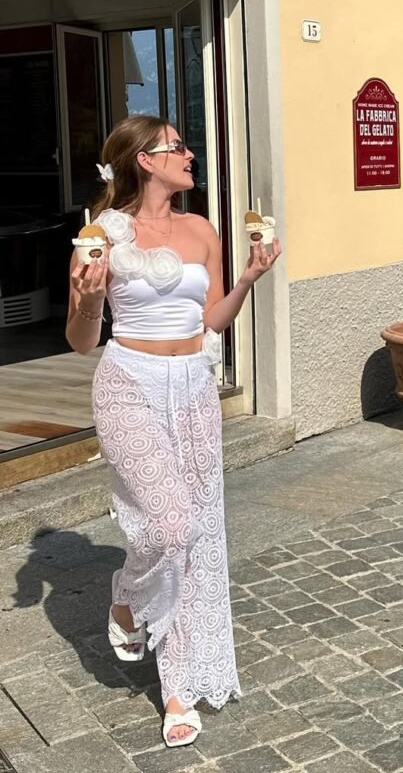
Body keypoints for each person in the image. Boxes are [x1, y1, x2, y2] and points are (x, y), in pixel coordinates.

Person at [65, 115, 280, 749]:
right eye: (176, 146)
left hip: (192, 387)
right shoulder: (101, 234)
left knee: (196, 534)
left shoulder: (202, 228)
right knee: (170, 524)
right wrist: (86, 299)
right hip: (128, 382)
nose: (189, 155)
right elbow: (81, 341)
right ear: (143, 160)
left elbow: (210, 319)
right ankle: (127, 597)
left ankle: (179, 686)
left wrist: (246, 278)